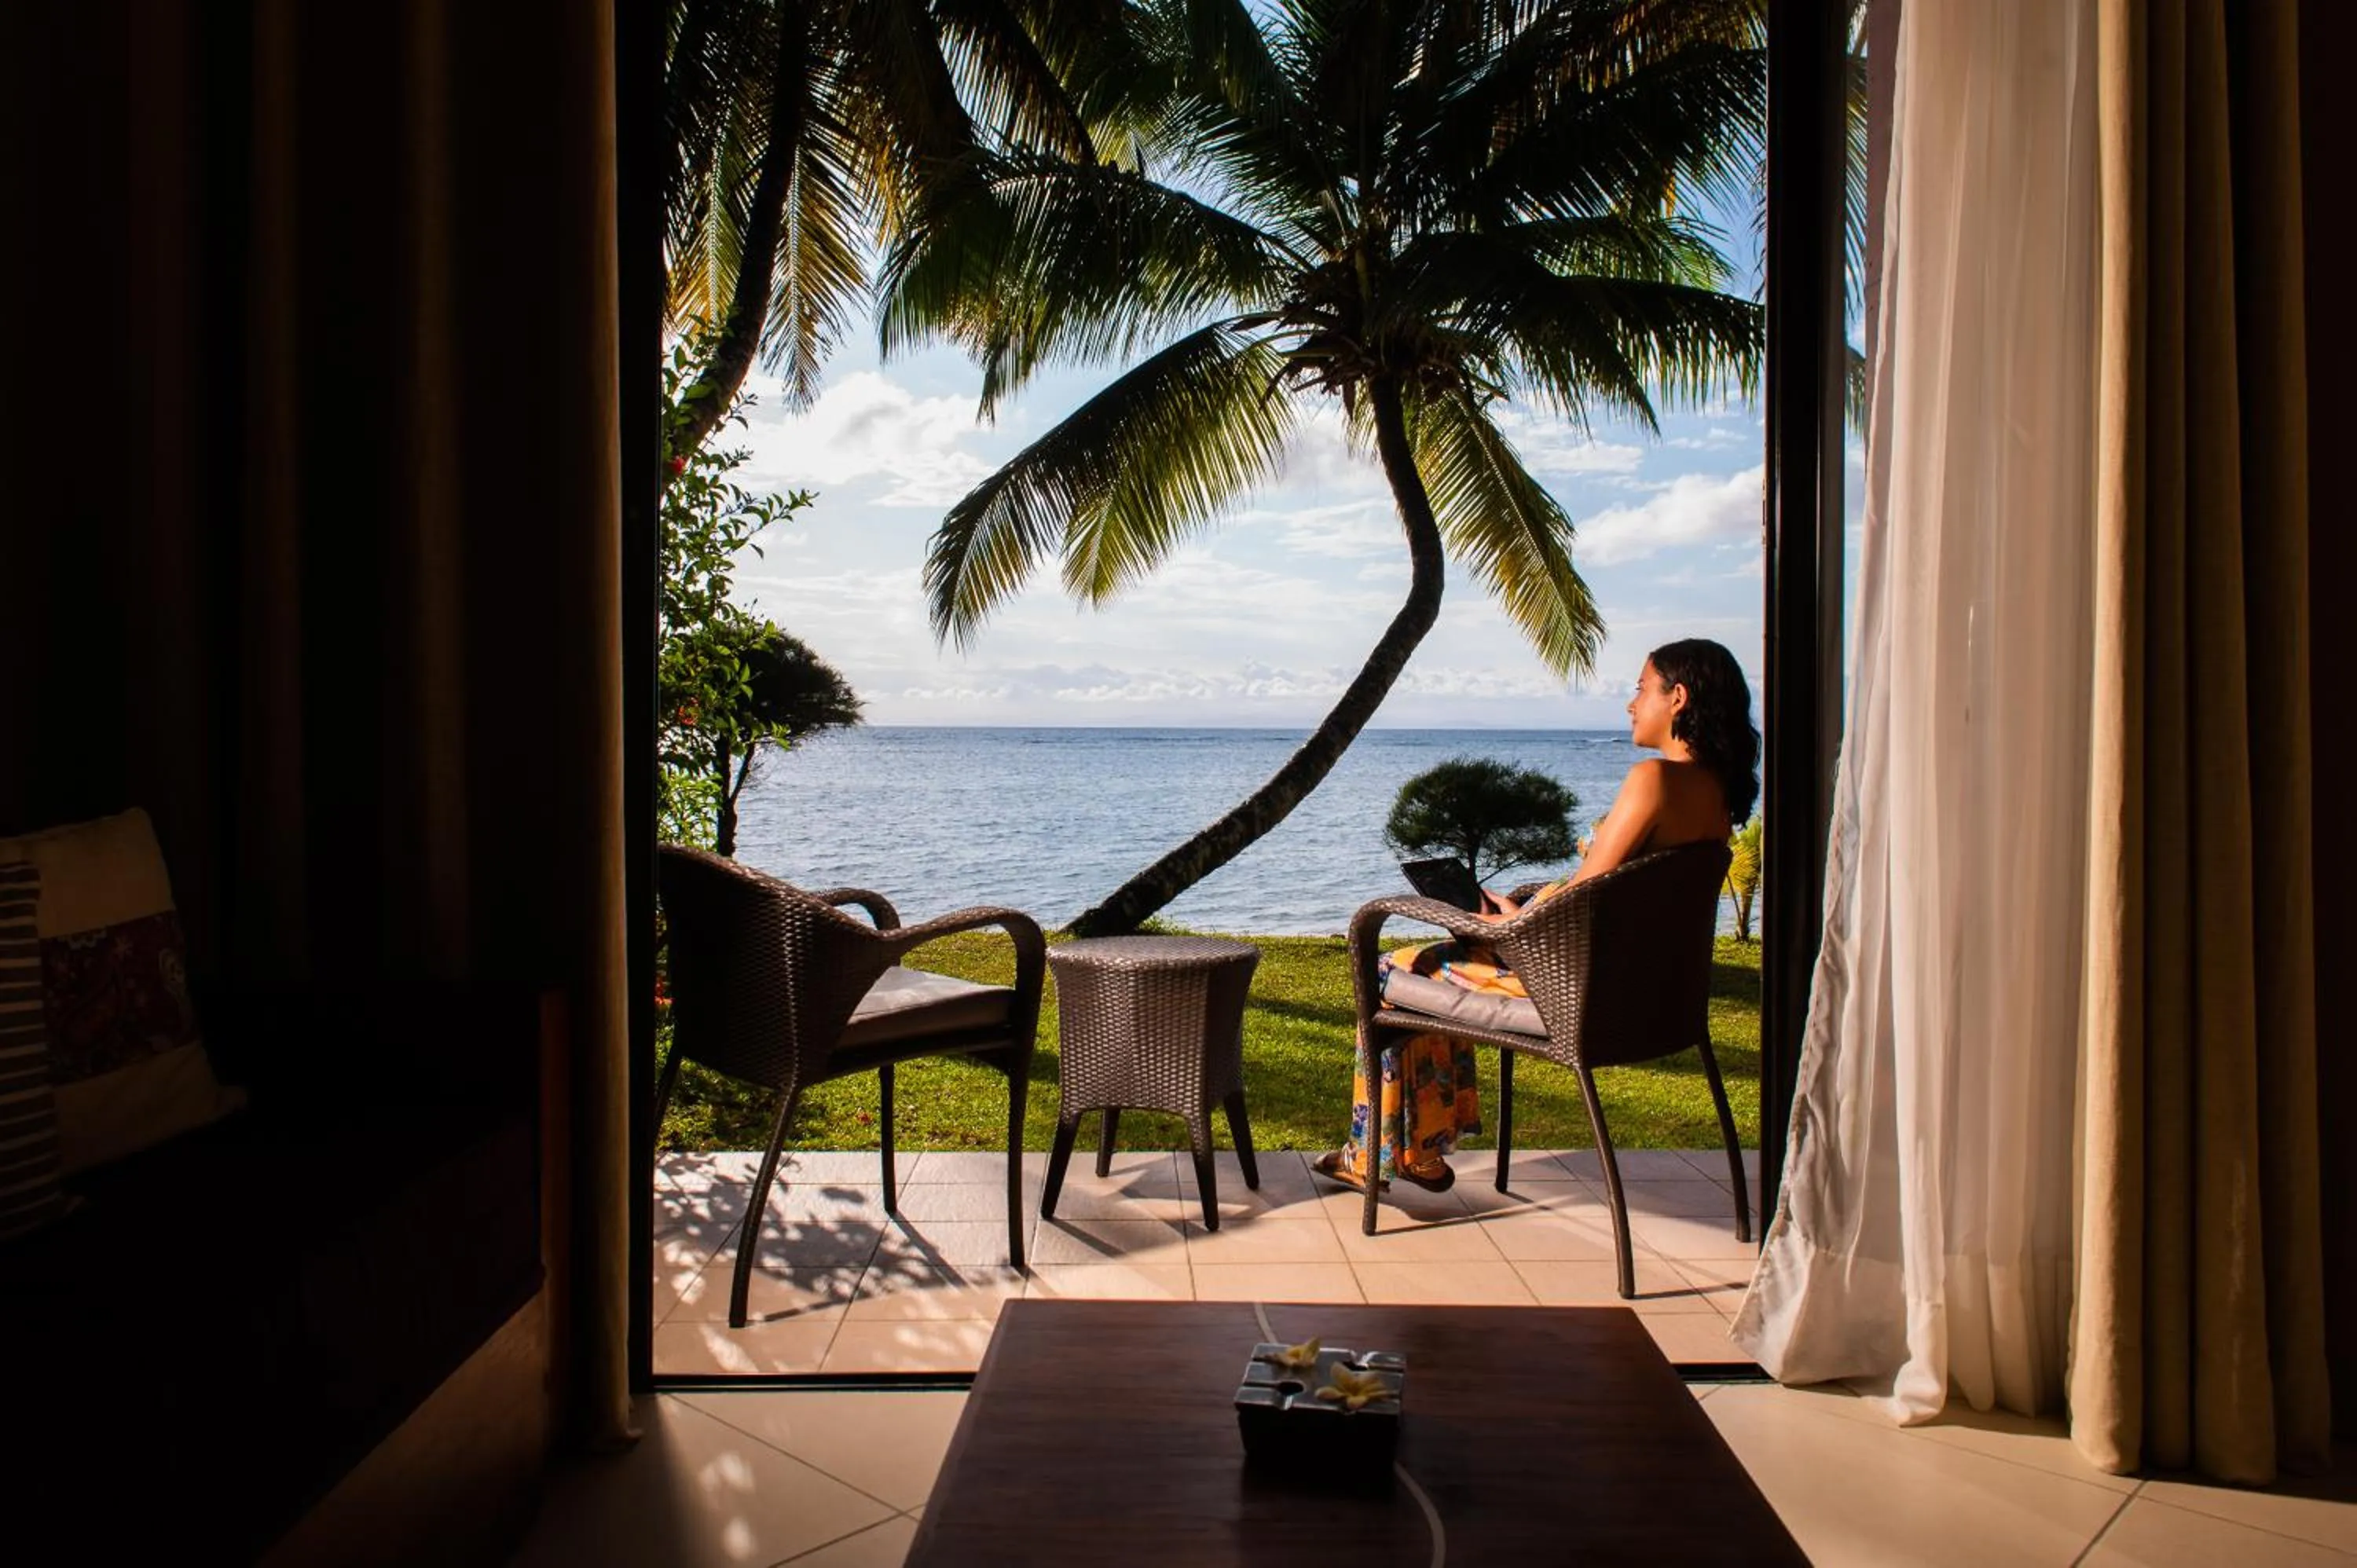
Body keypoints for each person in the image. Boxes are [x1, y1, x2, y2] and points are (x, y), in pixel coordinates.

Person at [1315, 638, 1761, 1193]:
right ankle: (1417, 1154)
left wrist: (1501, 927)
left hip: (1571, 994)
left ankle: (1385, 1155)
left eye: (1642, 689)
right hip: (1648, 997)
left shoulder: (1655, 780)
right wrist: (1529, 906)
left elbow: (1585, 900)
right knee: (1437, 959)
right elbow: (1610, 898)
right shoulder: (1717, 792)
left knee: (1393, 969)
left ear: (1679, 698)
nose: (1631, 703)